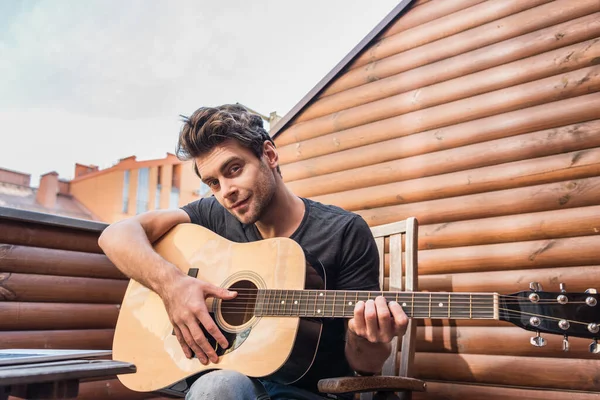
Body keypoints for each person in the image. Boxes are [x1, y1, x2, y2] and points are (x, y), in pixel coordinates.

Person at [98, 104, 408, 400]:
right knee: (222, 385)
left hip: (309, 392)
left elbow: (365, 366)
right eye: (213, 183)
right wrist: (173, 286)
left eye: (233, 169)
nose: (225, 191)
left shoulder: (343, 231)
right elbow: (116, 235)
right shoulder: (214, 215)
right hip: (220, 384)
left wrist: (368, 337)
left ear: (269, 154)